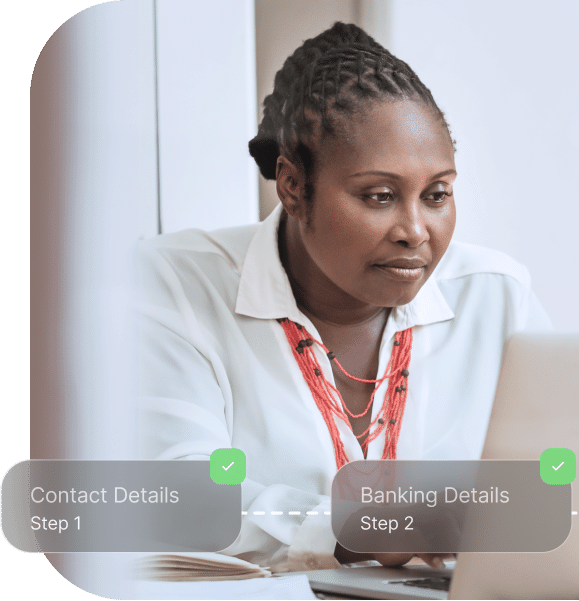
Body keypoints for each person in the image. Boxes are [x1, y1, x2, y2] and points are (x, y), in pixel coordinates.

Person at [133, 22, 550, 572]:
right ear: (292, 186)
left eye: (437, 194)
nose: (416, 230)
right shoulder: (175, 285)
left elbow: (568, 479)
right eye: (379, 196)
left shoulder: (496, 297)